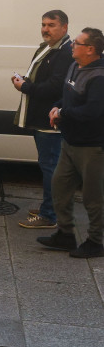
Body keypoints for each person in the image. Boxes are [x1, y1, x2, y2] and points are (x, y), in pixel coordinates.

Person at [37, 27, 104, 258]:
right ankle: (65, 235)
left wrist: (63, 113)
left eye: (77, 43)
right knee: (60, 186)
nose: (72, 45)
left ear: (90, 49)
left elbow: (93, 111)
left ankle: (96, 241)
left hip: (92, 146)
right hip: (70, 141)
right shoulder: (75, 66)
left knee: (93, 197)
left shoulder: (99, 76)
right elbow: (67, 96)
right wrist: (57, 105)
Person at [12, 10, 73, 229]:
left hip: (50, 120)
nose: (45, 29)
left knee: (51, 166)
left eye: (51, 25)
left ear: (64, 28)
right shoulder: (52, 47)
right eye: (43, 24)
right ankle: (50, 206)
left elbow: (56, 86)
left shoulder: (64, 52)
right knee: (49, 165)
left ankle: (49, 215)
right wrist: (26, 79)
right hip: (42, 116)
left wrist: (25, 86)